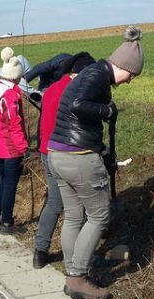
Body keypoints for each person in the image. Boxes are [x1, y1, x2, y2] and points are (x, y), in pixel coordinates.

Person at [47, 25, 143, 299]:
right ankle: (77, 277)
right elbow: (78, 105)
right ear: (126, 66)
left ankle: (73, 270)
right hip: (79, 158)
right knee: (99, 216)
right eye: (132, 75)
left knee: (75, 215)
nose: (130, 81)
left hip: (58, 153)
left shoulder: (90, 73)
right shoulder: (98, 77)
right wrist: (107, 110)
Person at [33, 52, 95, 269]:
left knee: (54, 202)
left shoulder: (51, 90)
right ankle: (80, 254)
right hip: (67, 154)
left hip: (45, 151)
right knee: (79, 207)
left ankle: (40, 251)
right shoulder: (77, 91)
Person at [0, 47, 29, 235]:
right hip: (10, 148)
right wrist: (23, 147)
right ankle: (7, 223)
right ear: (15, 76)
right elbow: (14, 125)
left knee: (2, 182)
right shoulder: (9, 96)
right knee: (10, 184)